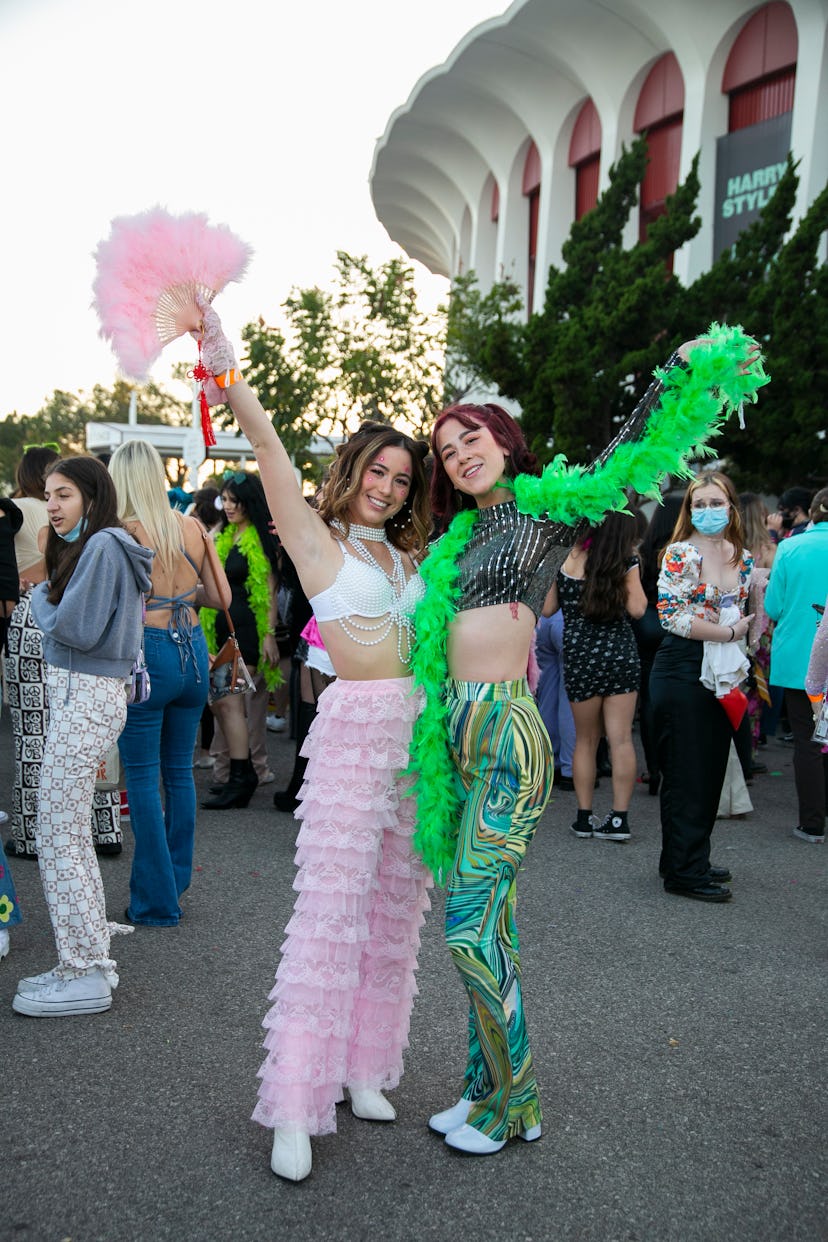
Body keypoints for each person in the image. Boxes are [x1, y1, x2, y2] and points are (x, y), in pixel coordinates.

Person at [409, 331, 765, 1156]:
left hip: (505, 731)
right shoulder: (456, 538)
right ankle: (480, 1086)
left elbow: (627, 450)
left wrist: (680, 371)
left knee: (468, 927)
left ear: (504, 440)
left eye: (473, 437)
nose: (460, 454)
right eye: (446, 449)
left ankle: (518, 1104)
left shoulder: (542, 508)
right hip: (451, 733)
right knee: (485, 927)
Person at [195, 299, 433, 1182]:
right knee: (329, 917)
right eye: (379, 471)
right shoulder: (313, 537)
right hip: (353, 738)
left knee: (393, 916)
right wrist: (223, 361)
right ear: (354, 470)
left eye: (404, 479)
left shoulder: (412, 560)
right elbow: (265, 449)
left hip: (418, 742)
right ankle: (295, 1103)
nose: (390, 488)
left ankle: (365, 1069)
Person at [11, 456, 152, 1017]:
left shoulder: (102, 546)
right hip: (91, 698)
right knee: (64, 832)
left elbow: (75, 628)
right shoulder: (108, 545)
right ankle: (87, 959)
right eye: (49, 495)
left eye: (63, 494)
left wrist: (42, 597)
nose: (52, 505)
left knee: (58, 834)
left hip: (84, 699)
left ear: (92, 497)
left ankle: (84, 967)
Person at [109, 440, 232, 925]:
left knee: (141, 776)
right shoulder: (192, 526)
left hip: (148, 651)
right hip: (193, 651)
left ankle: (156, 901)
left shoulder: (120, 532)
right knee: (178, 774)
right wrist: (183, 592)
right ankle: (173, 881)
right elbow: (221, 596)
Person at [649, 472, 754, 902]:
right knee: (685, 771)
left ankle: (686, 857)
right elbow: (671, 617)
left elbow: (742, 608)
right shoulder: (680, 553)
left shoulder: (740, 555)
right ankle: (684, 872)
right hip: (682, 668)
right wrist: (729, 635)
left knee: (708, 770)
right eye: (699, 503)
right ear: (689, 508)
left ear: (731, 506)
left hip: (722, 671)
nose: (708, 511)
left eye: (716, 502)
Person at [546, 511, 647, 840]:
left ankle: (584, 817)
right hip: (620, 654)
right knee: (620, 739)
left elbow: (547, 610)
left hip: (580, 658)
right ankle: (619, 819)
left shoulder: (564, 555)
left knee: (585, 741)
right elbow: (638, 609)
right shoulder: (624, 558)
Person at [200, 470, 281, 808]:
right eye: (226, 500)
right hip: (221, 625)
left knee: (230, 701)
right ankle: (240, 772)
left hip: (246, 629)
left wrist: (270, 635)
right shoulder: (226, 534)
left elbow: (269, 588)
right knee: (221, 701)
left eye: (235, 501)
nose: (228, 506)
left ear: (250, 504)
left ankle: (241, 777)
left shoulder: (258, 539)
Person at [764, 487, 828, 843]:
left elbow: (773, 607)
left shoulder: (789, 547)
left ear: (813, 511)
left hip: (799, 658)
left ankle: (813, 821)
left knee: (807, 739)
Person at [631, 495, 683, 794]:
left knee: (649, 701)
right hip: (676, 628)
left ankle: (654, 770)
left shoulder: (645, 552)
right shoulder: (683, 551)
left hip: (646, 626)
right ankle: (675, 764)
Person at [533, 611, 575, 790]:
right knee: (569, 702)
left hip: (542, 620)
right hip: (568, 619)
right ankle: (570, 768)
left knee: (546, 697)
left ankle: (549, 763)